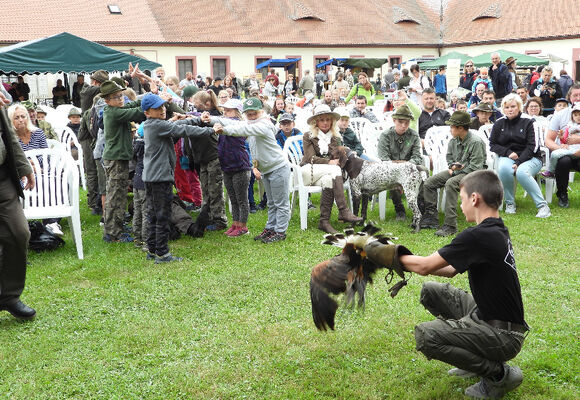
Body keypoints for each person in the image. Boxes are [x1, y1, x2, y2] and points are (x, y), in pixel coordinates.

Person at [401, 170, 528, 400]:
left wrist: (391, 256)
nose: (460, 206)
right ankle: (474, 360)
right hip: (489, 316)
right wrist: (403, 263)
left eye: (461, 199)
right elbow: (448, 270)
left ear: (474, 198)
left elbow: (424, 266)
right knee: (431, 291)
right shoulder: (495, 228)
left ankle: (499, 375)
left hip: (503, 334)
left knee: (426, 336)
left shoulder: (479, 235)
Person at [141, 93, 217, 262]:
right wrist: (210, 130)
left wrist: (197, 119)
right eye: (157, 108)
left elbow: (180, 123)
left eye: (162, 106)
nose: (162, 110)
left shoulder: (152, 124)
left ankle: (152, 249)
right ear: (147, 112)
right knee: (162, 214)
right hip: (160, 178)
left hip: (151, 177)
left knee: (153, 213)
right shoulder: (158, 125)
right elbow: (182, 129)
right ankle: (162, 253)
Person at [207, 97, 291, 243]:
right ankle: (270, 228)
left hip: (278, 167)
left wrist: (224, 130)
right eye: (249, 114)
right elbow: (234, 122)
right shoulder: (251, 122)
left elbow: (243, 128)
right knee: (271, 203)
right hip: (267, 169)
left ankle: (280, 231)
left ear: (261, 112)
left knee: (281, 203)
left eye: (254, 113)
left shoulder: (264, 124)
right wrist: (210, 118)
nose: (251, 116)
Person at [420, 111, 487, 236]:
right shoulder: (453, 141)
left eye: (452, 127)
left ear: (460, 128)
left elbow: (476, 167)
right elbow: (449, 157)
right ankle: (431, 216)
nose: (450, 129)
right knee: (429, 183)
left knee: (451, 184)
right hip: (457, 171)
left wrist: (458, 169)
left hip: (473, 174)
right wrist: (452, 166)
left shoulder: (475, 142)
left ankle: (450, 225)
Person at [0, 94, 37, 320]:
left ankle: (10, 297)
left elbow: (9, 134)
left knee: (19, 232)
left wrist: (25, 167)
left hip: (2, 179)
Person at [299, 104, 363, 233]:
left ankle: (324, 221)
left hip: (326, 174)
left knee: (329, 179)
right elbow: (310, 157)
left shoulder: (335, 136)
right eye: (321, 120)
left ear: (332, 121)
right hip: (308, 171)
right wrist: (329, 162)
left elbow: (336, 158)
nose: (325, 123)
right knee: (334, 170)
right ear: (316, 122)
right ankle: (343, 211)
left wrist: (340, 153)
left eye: (328, 119)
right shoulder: (308, 136)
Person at [489, 93, 551, 218]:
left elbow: (533, 146)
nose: (510, 110)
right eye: (506, 107)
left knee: (522, 172)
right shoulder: (499, 123)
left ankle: (543, 206)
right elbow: (493, 144)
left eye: (513, 106)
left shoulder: (529, 122)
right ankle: (510, 203)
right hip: (509, 157)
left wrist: (519, 162)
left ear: (519, 107)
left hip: (532, 158)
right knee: (504, 169)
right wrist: (507, 153)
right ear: (503, 109)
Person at [100, 80, 147, 242]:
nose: (120, 99)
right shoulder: (113, 113)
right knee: (115, 195)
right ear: (107, 100)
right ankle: (113, 233)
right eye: (116, 97)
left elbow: (132, 105)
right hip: (116, 159)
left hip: (118, 158)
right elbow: (137, 113)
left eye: (121, 96)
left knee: (118, 193)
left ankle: (116, 226)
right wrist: (150, 103)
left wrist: (149, 95)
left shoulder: (115, 109)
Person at [377, 105, 423, 220]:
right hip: (391, 168)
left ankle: (422, 208)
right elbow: (384, 159)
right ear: (394, 121)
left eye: (406, 123)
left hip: (409, 167)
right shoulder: (386, 135)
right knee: (393, 175)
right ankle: (399, 208)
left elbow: (417, 157)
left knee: (423, 172)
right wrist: (399, 168)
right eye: (400, 122)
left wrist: (406, 167)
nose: (403, 126)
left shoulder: (413, 135)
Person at [216, 99, 252, 237]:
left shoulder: (240, 125)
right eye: (224, 110)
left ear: (237, 112)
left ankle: (243, 226)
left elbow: (233, 129)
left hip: (240, 166)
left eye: (228, 110)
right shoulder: (224, 124)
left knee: (241, 198)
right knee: (233, 198)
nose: (225, 113)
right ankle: (235, 223)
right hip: (226, 166)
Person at [544, 83, 580, 207]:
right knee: (563, 161)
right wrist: (561, 147)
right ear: (569, 97)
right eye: (575, 95)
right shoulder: (561, 114)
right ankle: (562, 194)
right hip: (566, 152)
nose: (578, 98)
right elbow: (548, 140)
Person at [541, 102, 580, 178]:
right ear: (572, 116)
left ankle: (551, 171)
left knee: (557, 155)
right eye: (575, 115)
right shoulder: (570, 126)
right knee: (555, 154)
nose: (578, 117)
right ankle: (551, 171)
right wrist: (561, 137)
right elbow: (566, 140)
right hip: (571, 149)